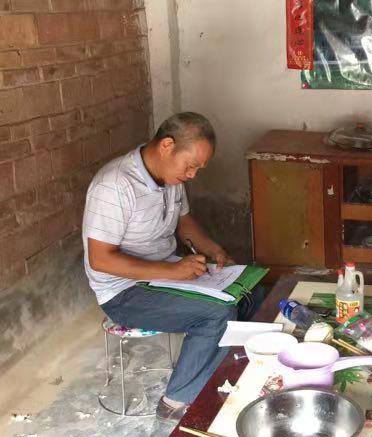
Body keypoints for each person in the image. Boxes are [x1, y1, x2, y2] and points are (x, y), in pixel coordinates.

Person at [82, 112, 262, 421]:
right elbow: (101, 259)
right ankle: (177, 401)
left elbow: (184, 222)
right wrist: (173, 272)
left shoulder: (170, 178)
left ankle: (222, 374)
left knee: (249, 292)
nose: (193, 175)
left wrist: (213, 249)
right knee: (216, 314)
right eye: (190, 166)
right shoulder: (114, 186)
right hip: (124, 292)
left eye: (198, 169)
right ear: (167, 146)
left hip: (164, 273)